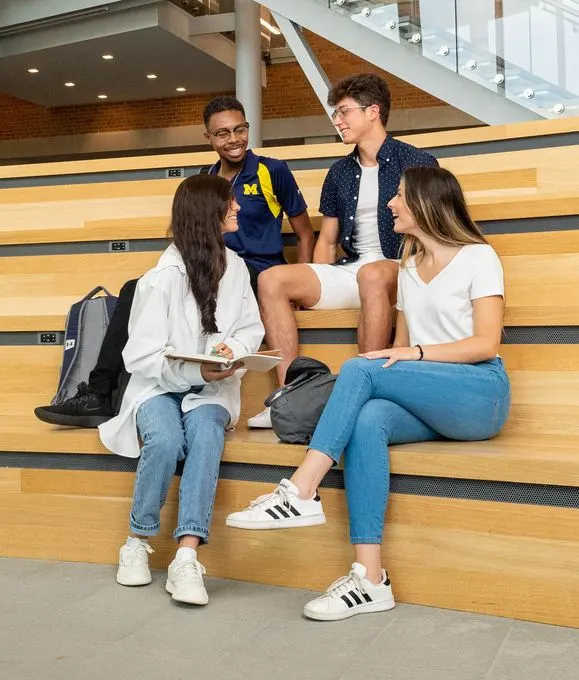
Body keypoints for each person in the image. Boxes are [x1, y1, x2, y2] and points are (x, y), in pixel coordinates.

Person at [226, 166, 511, 621]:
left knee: (362, 367)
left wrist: (412, 353)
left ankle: (302, 489)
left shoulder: (479, 257)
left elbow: (485, 344)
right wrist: (401, 353)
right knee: (366, 420)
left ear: (425, 203)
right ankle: (370, 577)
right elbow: (399, 342)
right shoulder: (410, 263)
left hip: (480, 393)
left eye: (399, 197)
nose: (391, 204)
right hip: (429, 394)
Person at [34, 96, 313, 428]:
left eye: (240, 129)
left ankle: (115, 391)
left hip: (252, 271)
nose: (233, 138)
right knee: (133, 289)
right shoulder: (205, 176)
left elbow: (305, 234)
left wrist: (294, 287)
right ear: (207, 137)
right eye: (222, 133)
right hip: (209, 265)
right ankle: (100, 392)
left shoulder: (272, 170)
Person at [100, 174, 264, 605]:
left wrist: (234, 348)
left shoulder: (238, 268)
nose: (238, 209)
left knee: (207, 434)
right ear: (206, 214)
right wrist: (197, 373)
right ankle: (137, 540)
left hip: (211, 391)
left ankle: (186, 556)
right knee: (166, 439)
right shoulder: (161, 278)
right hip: (157, 388)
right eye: (230, 204)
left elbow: (251, 327)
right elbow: (140, 358)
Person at [247, 73, 438, 429]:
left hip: (400, 267)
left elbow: (431, 232)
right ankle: (290, 398)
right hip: (353, 269)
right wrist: (314, 282)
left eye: (344, 112)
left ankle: (366, 388)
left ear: (373, 112)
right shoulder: (339, 172)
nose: (337, 121)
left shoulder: (417, 162)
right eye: (336, 113)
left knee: (372, 273)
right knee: (272, 278)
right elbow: (328, 241)